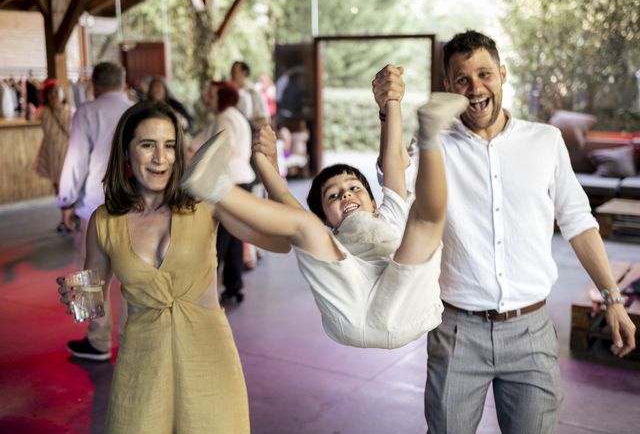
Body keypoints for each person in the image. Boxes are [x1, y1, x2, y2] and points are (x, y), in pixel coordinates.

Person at [372, 31, 637, 434]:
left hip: (531, 333)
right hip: (457, 332)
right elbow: (393, 180)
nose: (475, 88)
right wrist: (389, 111)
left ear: (503, 75)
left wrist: (612, 297)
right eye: (461, 79)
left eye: (484, 74)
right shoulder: (433, 143)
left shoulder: (545, 141)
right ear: (448, 87)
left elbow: (578, 221)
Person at [181, 72, 469, 348]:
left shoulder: (390, 212)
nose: (345, 193)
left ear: (372, 200)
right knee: (307, 227)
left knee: (424, 224)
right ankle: (216, 186)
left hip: (408, 305)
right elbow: (284, 197)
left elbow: (393, 157)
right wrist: (263, 160)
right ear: (327, 217)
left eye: (354, 187)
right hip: (354, 312)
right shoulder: (330, 237)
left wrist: (391, 102)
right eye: (333, 195)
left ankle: (430, 133)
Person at [56, 101, 275, 434]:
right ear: (126, 150)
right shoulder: (104, 221)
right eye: (147, 144)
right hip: (142, 365)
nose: (160, 157)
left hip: (210, 360)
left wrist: (268, 172)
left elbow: (278, 241)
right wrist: (75, 296)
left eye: (169, 145)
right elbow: (91, 304)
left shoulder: (205, 204)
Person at [57, 62, 133, 361]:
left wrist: (65, 200)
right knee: (132, 275)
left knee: (87, 273)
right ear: (124, 81)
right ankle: (132, 339)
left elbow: (76, 159)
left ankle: (96, 339)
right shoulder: (136, 109)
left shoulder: (86, 112)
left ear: (95, 85)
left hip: (94, 203)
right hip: (133, 204)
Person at [190, 80, 255, 303]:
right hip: (241, 180)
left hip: (230, 183)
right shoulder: (232, 116)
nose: (207, 99)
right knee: (234, 237)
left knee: (218, 238)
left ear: (222, 97)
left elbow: (219, 151)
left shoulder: (224, 117)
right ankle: (235, 285)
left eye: (211, 95)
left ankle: (208, 290)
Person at [34, 79, 74, 231]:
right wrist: (28, 111)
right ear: (46, 95)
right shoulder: (43, 111)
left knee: (67, 186)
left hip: (68, 154)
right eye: (51, 92)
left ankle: (66, 219)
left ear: (64, 94)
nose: (54, 95)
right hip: (50, 154)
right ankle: (67, 217)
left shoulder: (71, 111)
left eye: (57, 91)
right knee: (58, 187)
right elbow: (31, 118)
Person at [230, 60, 271, 126]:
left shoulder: (254, 93)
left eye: (235, 72)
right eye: (231, 73)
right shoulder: (229, 93)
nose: (232, 76)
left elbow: (265, 120)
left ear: (244, 73)